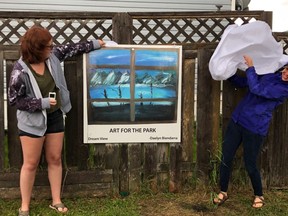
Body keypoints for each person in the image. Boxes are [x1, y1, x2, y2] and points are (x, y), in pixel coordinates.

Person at [8, 25, 105, 216]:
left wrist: (96, 43)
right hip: (32, 122)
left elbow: (72, 48)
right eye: (48, 46)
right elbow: (14, 100)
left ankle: (56, 200)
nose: (52, 48)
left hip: (55, 117)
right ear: (37, 49)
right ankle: (24, 207)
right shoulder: (19, 71)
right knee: (31, 163)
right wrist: (41, 102)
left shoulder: (52, 57)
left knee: (55, 159)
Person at [213, 55, 288, 208]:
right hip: (237, 121)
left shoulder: (283, 90)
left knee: (250, 164)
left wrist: (251, 67)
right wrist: (227, 72)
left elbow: (257, 88)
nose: (286, 74)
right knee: (226, 158)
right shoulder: (270, 73)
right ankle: (223, 191)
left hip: (254, 128)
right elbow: (245, 82)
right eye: (287, 69)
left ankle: (259, 194)